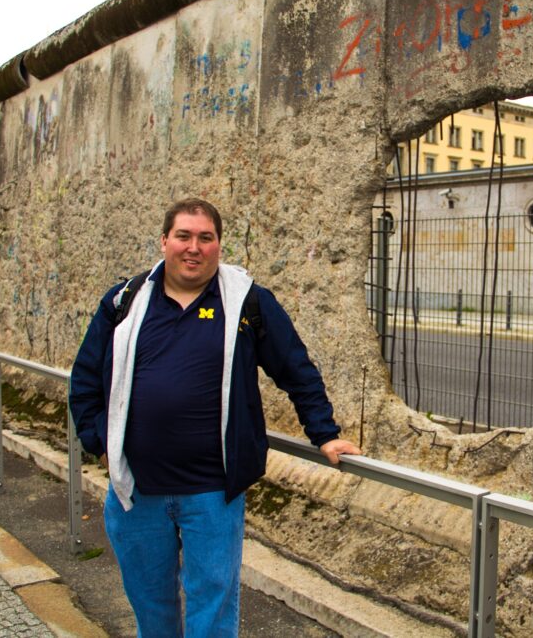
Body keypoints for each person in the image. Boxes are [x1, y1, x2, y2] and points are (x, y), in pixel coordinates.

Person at [68, 198, 361, 637]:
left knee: (213, 613)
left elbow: (295, 368)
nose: (194, 247)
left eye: (205, 238)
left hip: (212, 494)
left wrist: (325, 433)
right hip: (136, 492)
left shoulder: (247, 302)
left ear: (218, 245)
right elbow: (85, 378)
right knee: (152, 611)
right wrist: (100, 441)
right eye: (183, 236)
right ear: (164, 240)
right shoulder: (125, 302)